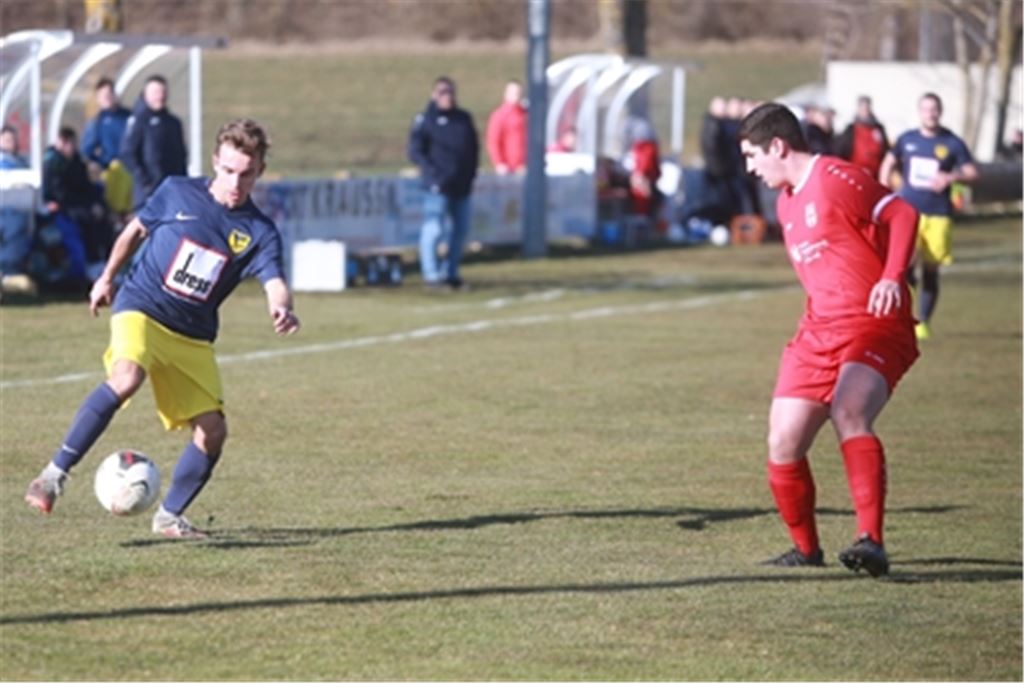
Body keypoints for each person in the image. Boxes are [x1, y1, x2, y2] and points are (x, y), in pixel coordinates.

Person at [25, 118, 300, 539]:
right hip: (142, 306)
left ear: (260, 171)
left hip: (192, 335)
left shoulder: (259, 231)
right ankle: (52, 476)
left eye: (246, 173)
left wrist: (282, 308)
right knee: (126, 377)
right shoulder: (177, 191)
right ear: (215, 162)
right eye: (228, 170)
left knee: (213, 431)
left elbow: (274, 281)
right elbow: (134, 231)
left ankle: (169, 517)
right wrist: (107, 278)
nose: (235, 182)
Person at [738, 102, 920, 578]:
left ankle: (871, 541)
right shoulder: (785, 201)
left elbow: (902, 214)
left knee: (849, 410)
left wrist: (892, 277)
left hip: (874, 322)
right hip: (819, 331)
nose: (750, 168)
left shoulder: (837, 177)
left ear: (777, 146)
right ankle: (806, 550)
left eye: (752, 156)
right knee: (782, 441)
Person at [878, 92, 978, 340]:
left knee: (931, 269)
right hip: (909, 212)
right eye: (926, 109)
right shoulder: (907, 139)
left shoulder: (952, 142)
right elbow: (887, 163)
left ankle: (924, 322)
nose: (930, 113)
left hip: (939, 214)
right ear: (919, 111)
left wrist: (950, 177)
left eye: (934, 109)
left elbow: (972, 172)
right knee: (906, 265)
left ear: (940, 112)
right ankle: (904, 318)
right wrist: (884, 190)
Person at [407, 76, 479, 290]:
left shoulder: (463, 118)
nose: (446, 96)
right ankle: (431, 275)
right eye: (442, 92)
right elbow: (415, 151)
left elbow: (473, 149)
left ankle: (451, 273)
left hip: (461, 185)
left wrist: (470, 174)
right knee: (434, 228)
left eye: (450, 92)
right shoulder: (425, 120)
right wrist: (433, 173)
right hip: (437, 186)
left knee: (461, 231)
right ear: (434, 94)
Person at [43, 126, 112, 267]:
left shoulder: (76, 161)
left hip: (78, 204)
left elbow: (85, 186)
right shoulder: (53, 162)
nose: (72, 148)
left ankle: (102, 261)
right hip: (65, 207)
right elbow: (58, 192)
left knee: (103, 216)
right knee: (86, 220)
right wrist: (87, 205)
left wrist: (95, 203)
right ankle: (87, 264)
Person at [120, 74, 187, 210]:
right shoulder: (139, 120)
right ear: (146, 94)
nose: (160, 96)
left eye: (163, 92)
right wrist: (145, 181)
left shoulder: (173, 123)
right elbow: (127, 153)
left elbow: (181, 156)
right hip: (148, 195)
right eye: (156, 92)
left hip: (172, 192)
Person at [81, 77, 134, 218]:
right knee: (114, 210)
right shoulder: (97, 122)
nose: (107, 98)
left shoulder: (128, 116)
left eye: (109, 94)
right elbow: (87, 149)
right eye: (103, 96)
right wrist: (103, 163)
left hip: (132, 169)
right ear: (98, 98)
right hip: (113, 171)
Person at [0, 125, 33, 279]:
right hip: (5, 212)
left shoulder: (21, 162)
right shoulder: (3, 162)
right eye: (6, 139)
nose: (10, 143)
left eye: (12, 139)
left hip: (19, 211)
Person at [836, 95, 889, 178]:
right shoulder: (851, 129)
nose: (865, 110)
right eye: (862, 107)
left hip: (876, 173)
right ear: (858, 109)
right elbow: (841, 151)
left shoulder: (878, 128)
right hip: (856, 173)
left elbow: (885, 149)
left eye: (867, 107)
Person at [485, 79, 527, 175]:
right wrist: (499, 163)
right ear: (506, 94)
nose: (516, 96)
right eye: (513, 93)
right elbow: (493, 141)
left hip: (524, 168)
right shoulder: (499, 115)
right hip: (508, 169)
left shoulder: (526, 115)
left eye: (518, 93)